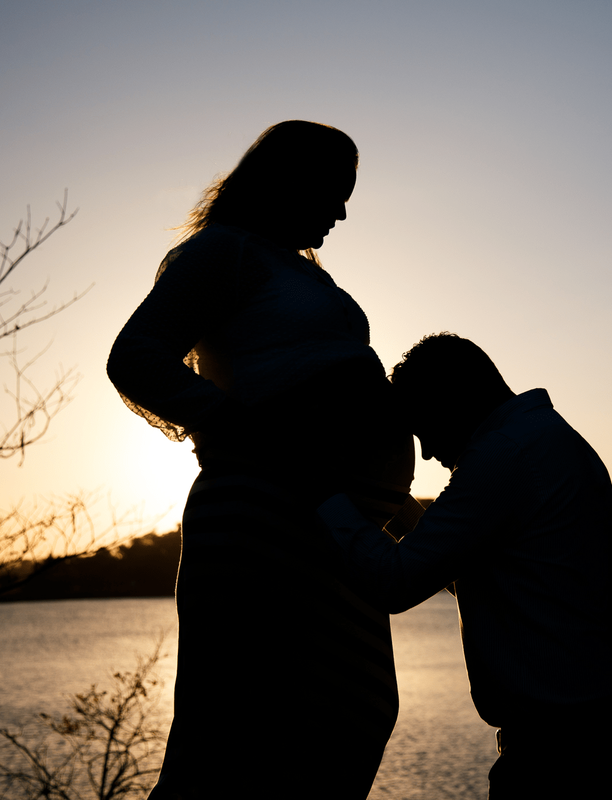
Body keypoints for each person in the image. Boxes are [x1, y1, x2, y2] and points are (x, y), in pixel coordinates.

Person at [107, 121, 417, 799]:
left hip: (336, 526)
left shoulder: (297, 269)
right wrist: (235, 425)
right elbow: (135, 356)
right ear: (286, 181)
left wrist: (398, 507)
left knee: (351, 715)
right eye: (333, 192)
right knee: (239, 735)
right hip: (265, 520)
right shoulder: (226, 252)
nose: (341, 211)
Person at [318, 333, 612, 799]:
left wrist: (321, 492)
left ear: (453, 400)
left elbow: (395, 581)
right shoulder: (543, 440)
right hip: (603, 735)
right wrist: (396, 506)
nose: (425, 453)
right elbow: (483, 572)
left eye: (424, 427)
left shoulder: (503, 457)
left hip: (568, 756)